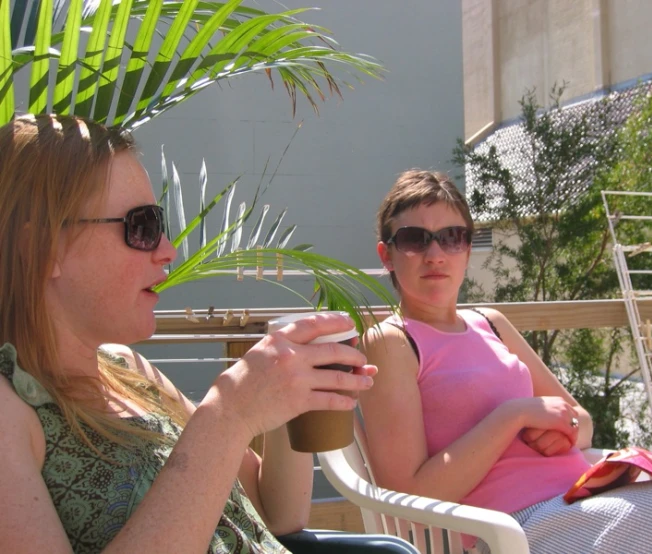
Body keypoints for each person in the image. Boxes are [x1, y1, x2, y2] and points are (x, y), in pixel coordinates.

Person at [0, 114, 418, 554]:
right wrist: (227, 415)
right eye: (141, 226)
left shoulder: (129, 372)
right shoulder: (12, 413)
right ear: (42, 248)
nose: (167, 250)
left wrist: (285, 395)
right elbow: (223, 434)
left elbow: (279, 514)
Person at [359, 169, 652, 554]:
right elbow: (407, 497)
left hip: (583, 496)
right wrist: (514, 416)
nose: (435, 254)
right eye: (414, 240)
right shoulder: (391, 342)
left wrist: (562, 428)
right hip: (518, 530)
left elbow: (583, 421)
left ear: (468, 249)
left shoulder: (491, 323)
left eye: (452, 237)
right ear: (386, 255)